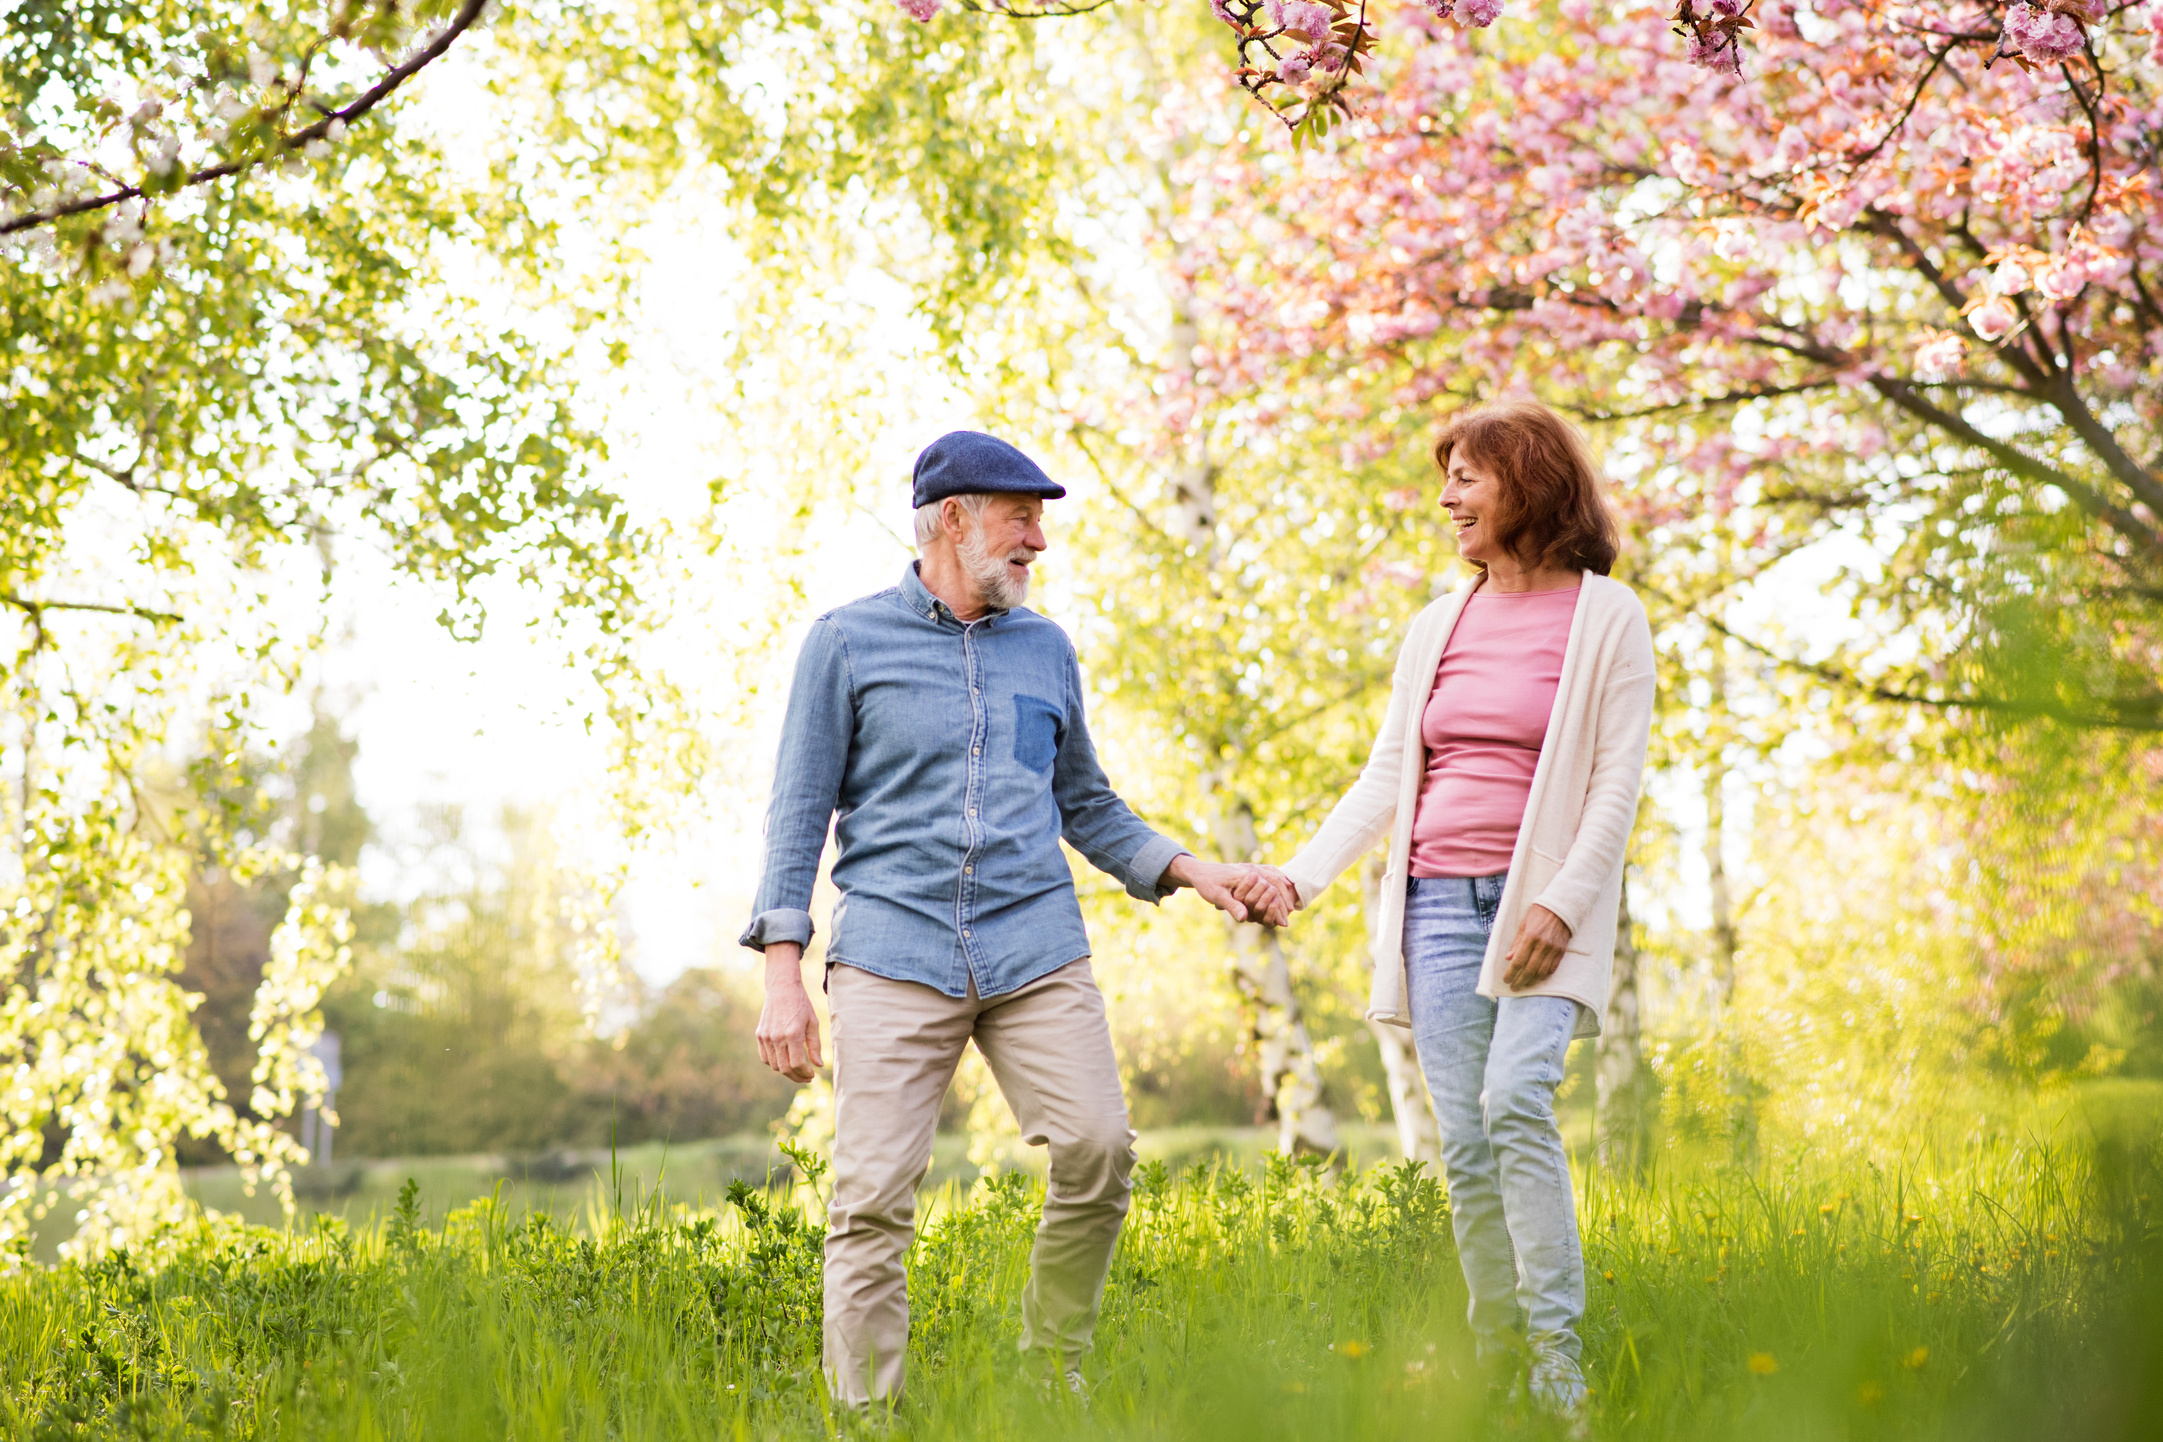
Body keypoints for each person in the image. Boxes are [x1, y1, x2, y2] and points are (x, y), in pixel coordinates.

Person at [740, 430, 1292, 1410]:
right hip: (892, 950)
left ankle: (1049, 1359)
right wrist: (784, 972)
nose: (1039, 538)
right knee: (870, 1204)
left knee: (1099, 1148)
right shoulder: (846, 640)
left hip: (1034, 944)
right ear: (953, 519)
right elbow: (798, 810)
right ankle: (868, 1419)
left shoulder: (1046, 649)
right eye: (1022, 515)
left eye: (1040, 519)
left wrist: (1192, 869)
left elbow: (1088, 803)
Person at [1235, 400, 1655, 1414]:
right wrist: (1301, 874)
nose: (1447, 496)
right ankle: (1498, 1361)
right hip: (1432, 905)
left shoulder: (1609, 616)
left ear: (1530, 482)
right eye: (1448, 477)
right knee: (1465, 1143)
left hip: (1538, 910)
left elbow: (1615, 780)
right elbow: (1390, 771)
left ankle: (1560, 1366)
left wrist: (1557, 903)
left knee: (1517, 1100)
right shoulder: (1438, 622)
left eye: (1468, 476)